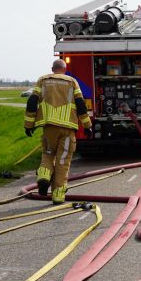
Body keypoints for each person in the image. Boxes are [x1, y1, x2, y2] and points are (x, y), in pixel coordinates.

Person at [24, 59, 91, 204]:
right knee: (62, 161)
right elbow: (81, 105)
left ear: (52, 69)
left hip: (49, 128)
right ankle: (58, 196)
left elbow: (32, 102)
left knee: (48, 154)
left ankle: (43, 176)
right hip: (67, 129)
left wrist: (28, 125)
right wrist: (87, 126)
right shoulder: (72, 82)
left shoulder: (43, 80)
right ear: (64, 70)